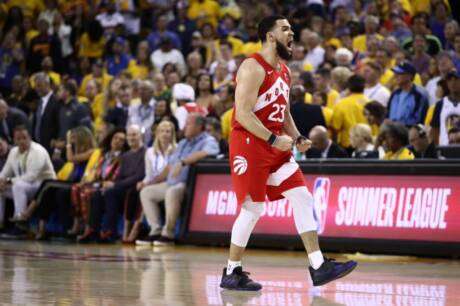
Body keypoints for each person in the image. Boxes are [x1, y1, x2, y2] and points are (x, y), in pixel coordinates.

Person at [221, 16, 357, 291]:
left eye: (291, 29)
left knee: (302, 197)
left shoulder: (284, 70)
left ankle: (318, 266)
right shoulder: (251, 67)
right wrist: (273, 138)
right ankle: (232, 271)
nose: (291, 33)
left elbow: (283, 111)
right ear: (270, 36)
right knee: (252, 208)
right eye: (285, 29)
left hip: (276, 144)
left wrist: (296, 136)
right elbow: (244, 114)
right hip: (250, 143)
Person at [138, 113, 218, 246]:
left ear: (199, 126)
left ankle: (168, 234)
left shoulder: (208, 141)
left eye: (188, 123)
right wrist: (149, 182)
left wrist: (183, 162)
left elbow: (205, 153)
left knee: (172, 191)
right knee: (146, 192)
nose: (184, 126)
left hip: (188, 185)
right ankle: (155, 230)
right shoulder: (182, 143)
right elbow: (169, 167)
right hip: (171, 183)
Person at [0, 126, 56, 229]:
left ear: (30, 137)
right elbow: (5, 172)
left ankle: (20, 222)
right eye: (18, 138)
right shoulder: (13, 152)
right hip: (27, 186)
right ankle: (1, 223)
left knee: (18, 186)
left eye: (24, 138)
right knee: (2, 188)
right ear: (14, 140)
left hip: (42, 186)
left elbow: (31, 176)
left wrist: (8, 181)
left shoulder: (38, 151)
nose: (22, 141)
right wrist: (1, 181)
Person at [387, 62, 429, 126]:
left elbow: (418, 120)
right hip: (391, 132)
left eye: (400, 73)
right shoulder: (395, 94)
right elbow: (388, 114)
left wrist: (397, 124)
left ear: (409, 76)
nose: (395, 76)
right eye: (396, 73)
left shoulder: (419, 95)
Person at [32, 72, 60, 154]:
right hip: (38, 147)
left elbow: (59, 125)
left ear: (47, 84)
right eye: (36, 86)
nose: (37, 89)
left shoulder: (56, 101)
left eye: (39, 85)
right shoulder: (38, 102)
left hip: (50, 148)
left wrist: (57, 148)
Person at [431, 70, 460, 145]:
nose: (453, 83)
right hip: (445, 150)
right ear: (447, 83)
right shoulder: (440, 104)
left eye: (456, 79)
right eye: (450, 80)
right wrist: (436, 149)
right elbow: (435, 129)